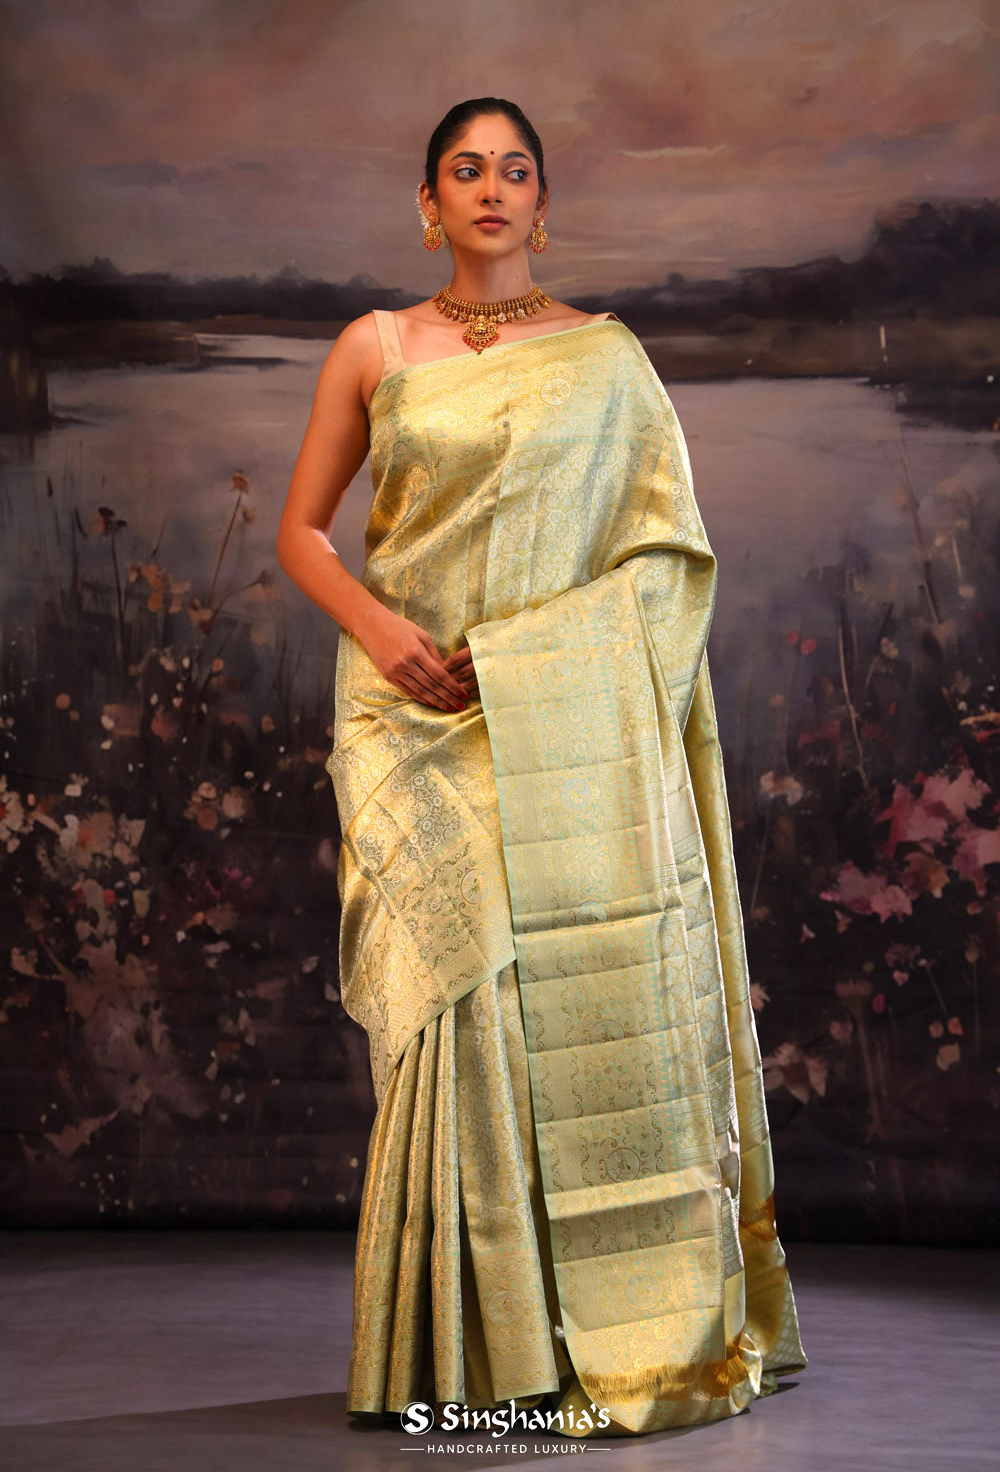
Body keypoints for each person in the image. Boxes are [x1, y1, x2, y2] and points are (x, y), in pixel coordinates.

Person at [276, 96, 808, 1438]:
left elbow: (668, 558)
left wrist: (522, 660)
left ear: (543, 202)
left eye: (515, 170)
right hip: (406, 710)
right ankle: (451, 1357)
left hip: (549, 716)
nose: (492, 189)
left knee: (534, 996)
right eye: (466, 170)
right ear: (428, 203)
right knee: (447, 1001)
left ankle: (568, 1342)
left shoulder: (607, 359)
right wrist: (383, 634)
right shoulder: (375, 346)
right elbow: (301, 534)